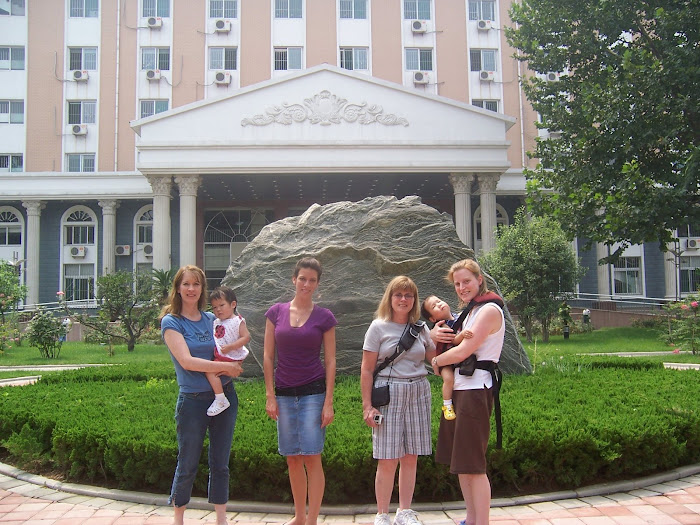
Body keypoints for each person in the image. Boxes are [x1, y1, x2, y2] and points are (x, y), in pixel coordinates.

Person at [160, 265, 243, 525]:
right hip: (193, 401)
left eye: (196, 284)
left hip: (225, 396)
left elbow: (232, 339)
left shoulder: (212, 319)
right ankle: (179, 519)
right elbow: (187, 361)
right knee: (187, 462)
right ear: (178, 288)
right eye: (186, 284)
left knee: (221, 462)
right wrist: (224, 367)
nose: (191, 289)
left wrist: (235, 362)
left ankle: (221, 519)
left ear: (202, 288)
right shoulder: (171, 321)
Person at [430, 259, 505, 525]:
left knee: (474, 464)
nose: (462, 287)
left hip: (476, 389)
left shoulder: (489, 311)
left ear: (479, 280)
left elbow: (463, 351)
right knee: (462, 462)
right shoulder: (470, 312)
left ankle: (481, 522)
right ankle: (471, 519)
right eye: (458, 284)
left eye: (467, 282)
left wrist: (436, 362)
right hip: (461, 388)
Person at [263, 257, 337, 525]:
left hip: (313, 393)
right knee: (292, 458)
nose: (306, 284)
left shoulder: (324, 317)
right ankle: (299, 516)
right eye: (302, 278)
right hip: (283, 393)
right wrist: (270, 395)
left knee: (311, 456)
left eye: (312, 280)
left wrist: (328, 402)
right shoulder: (276, 312)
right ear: (294, 279)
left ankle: (313, 519)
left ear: (318, 283)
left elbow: (330, 360)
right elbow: (268, 357)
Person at [361, 276, 436, 525]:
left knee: (411, 455)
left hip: (419, 391)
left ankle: (404, 511)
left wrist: (448, 333)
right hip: (388, 392)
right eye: (398, 295)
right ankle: (382, 513)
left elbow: (436, 360)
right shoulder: (378, 327)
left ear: (414, 300)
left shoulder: (422, 329)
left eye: (408, 295)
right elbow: (366, 369)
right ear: (390, 298)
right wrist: (367, 405)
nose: (403, 299)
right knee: (387, 456)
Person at [420, 295, 473, 421]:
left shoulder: (459, 316)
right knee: (449, 379)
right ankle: (447, 405)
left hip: (458, 358)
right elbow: (454, 340)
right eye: (434, 306)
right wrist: (462, 335)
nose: (439, 304)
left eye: (439, 301)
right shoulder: (443, 326)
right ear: (433, 318)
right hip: (446, 360)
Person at [206, 286, 251, 417]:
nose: (218, 309)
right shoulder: (216, 322)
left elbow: (246, 337)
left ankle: (220, 399)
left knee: (210, 371)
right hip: (223, 355)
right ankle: (220, 396)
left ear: (233, 304)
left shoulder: (237, 321)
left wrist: (231, 347)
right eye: (214, 307)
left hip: (232, 356)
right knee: (214, 371)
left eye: (221, 305)